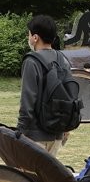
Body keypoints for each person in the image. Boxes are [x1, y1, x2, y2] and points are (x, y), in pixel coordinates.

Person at [19, 15, 74, 154]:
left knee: (29, 176)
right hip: (57, 134)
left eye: (29, 34)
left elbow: (28, 100)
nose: (29, 38)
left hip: (35, 136)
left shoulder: (31, 61)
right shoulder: (62, 59)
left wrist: (20, 132)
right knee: (47, 175)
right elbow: (70, 94)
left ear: (35, 37)